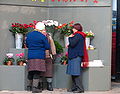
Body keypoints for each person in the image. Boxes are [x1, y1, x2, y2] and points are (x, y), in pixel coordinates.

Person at [26, 22, 50, 93]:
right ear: (42, 29)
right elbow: (47, 47)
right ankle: (35, 88)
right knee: (37, 72)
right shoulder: (42, 36)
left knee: (31, 71)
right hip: (39, 55)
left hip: (31, 55)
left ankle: (29, 87)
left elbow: (27, 44)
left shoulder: (29, 35)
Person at [66, 23, 88, 93]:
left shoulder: (78, 35)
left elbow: (72, 44)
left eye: (73, 28)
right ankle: (74, 87)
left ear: (76, 28)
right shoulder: (79, 35)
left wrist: (69, 37)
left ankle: (80, 89)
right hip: (75, 56)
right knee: (73, 73)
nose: (72, 29)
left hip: (75, 56)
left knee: (76, 73)